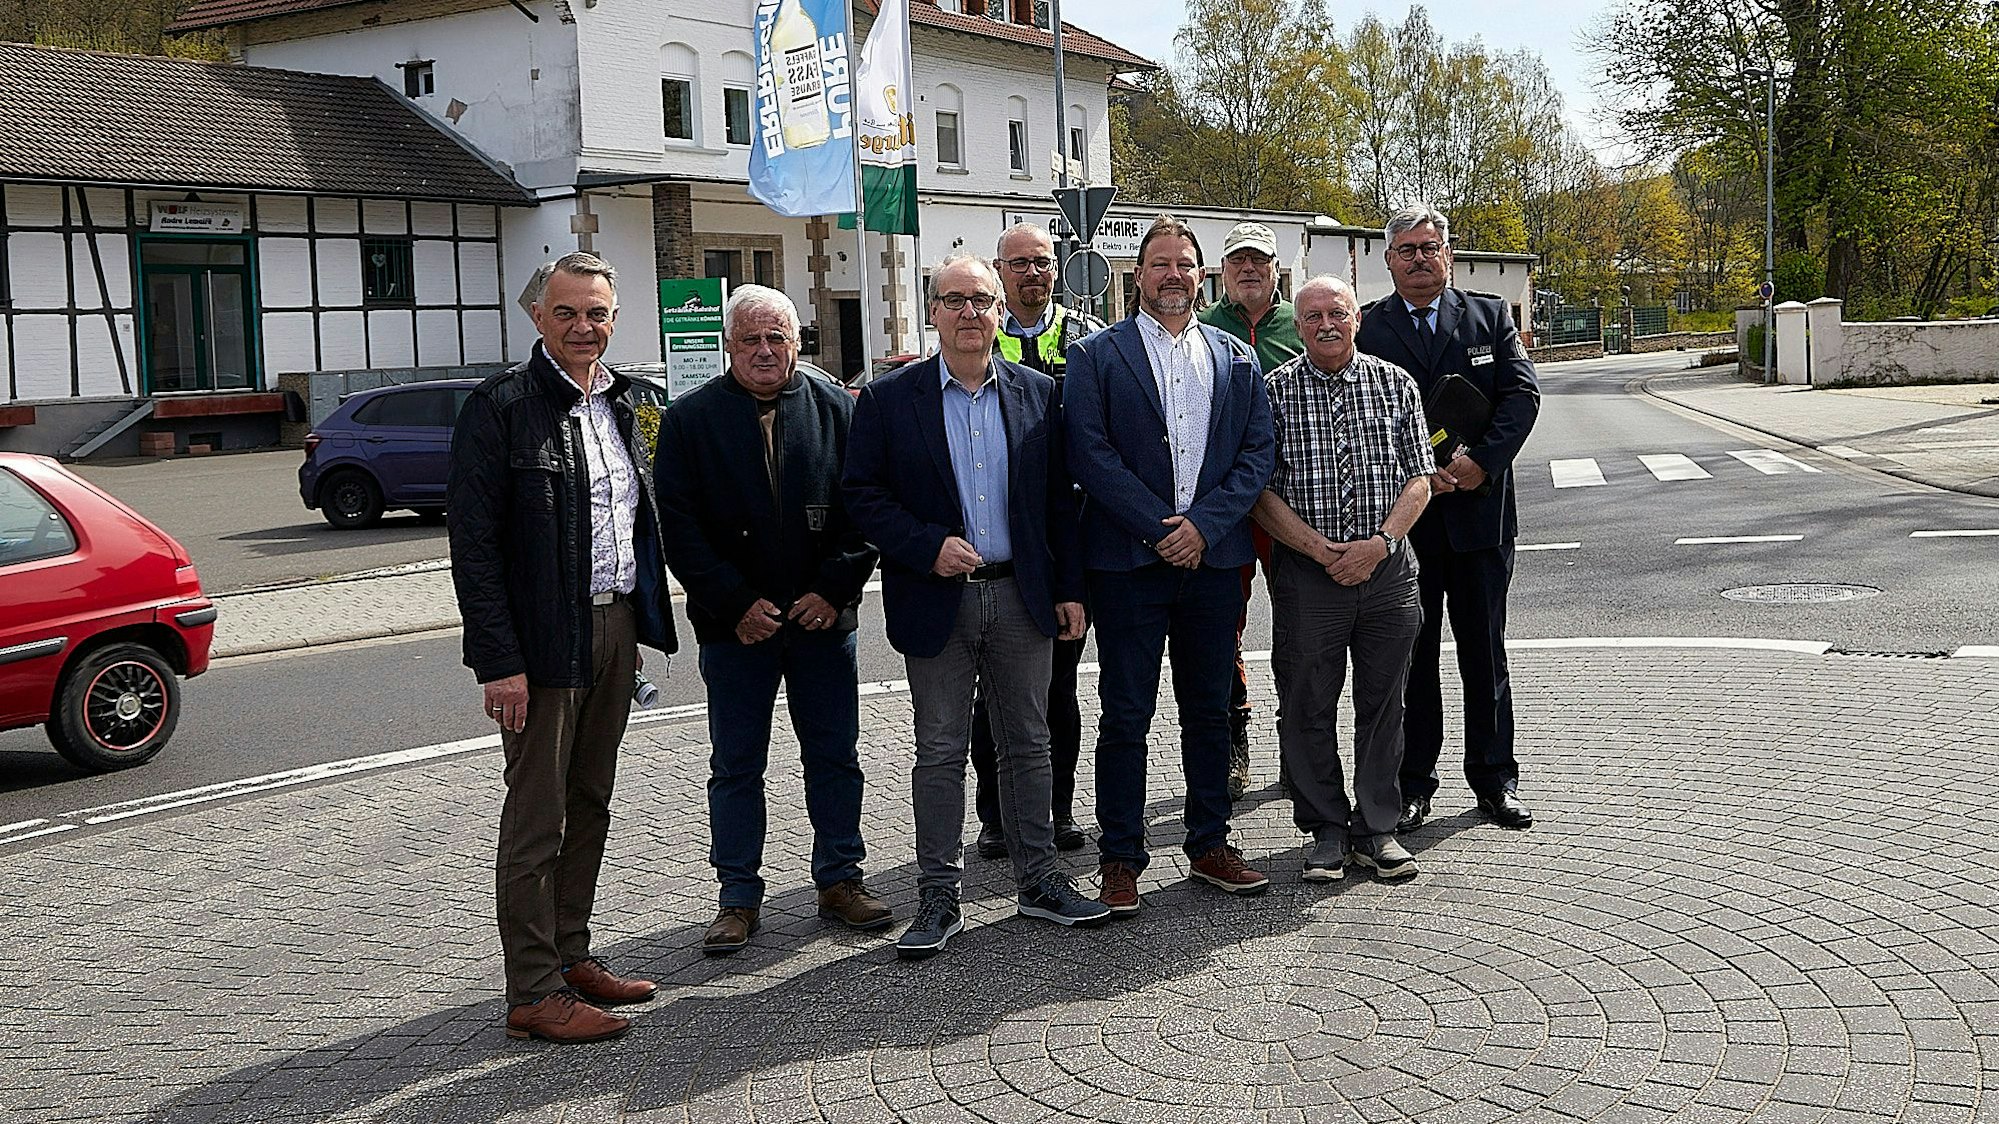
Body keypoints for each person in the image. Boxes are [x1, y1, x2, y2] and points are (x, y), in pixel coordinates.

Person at [844, 254, 1111, 959]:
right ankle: (938, 896)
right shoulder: (889, 399)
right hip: (936, 599)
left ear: (999, 313)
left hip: (1020, 595)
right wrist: (925, 545)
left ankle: (1040, 881)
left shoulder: (1034, 393)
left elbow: (1060, 502)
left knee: (1028, 739)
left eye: (981, 302)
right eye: (954, 300)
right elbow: (862, 496)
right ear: (932, 311)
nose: (969, 314)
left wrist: (1069, 588)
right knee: (939, 749)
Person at [447, 252, 678, 1044]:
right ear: (538, 317)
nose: (585, 327)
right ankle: (534, 989)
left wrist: (638, 625)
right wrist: (498, 662)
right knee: (536, 816)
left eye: (599, 314)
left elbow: (640, 523)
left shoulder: (632, 402)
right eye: (569, 313)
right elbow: (474, 548)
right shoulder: (501, 406)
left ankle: (572, 954)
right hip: (538, 640)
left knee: (589, 802)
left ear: (616, 319)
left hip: (613, 627)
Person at [653, 284, 888, 955]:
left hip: (822, 622)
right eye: (751, 339)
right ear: (729, 345)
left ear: (797, 341)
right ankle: (737, 898)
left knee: (835, 758)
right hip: (735, 630)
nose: (764, 351)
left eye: (776, 338)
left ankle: (840, 880)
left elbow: (864, 507)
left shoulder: (836, 407)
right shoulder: (690, 419)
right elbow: (680, 525)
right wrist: (734, 603)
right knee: (735, 765)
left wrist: (832, 588)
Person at [1063, 214, 1276, 914]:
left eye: (1185, 264)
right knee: (1125, 714)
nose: (1173, 276)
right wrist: (1160, 529)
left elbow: (1254, 458)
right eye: (1160, 264)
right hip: (1128, 563)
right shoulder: (1097, 355)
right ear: (1138, 275)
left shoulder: (1234, 358)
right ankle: (1120, 858)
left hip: (1212, 563)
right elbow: (1089, 455)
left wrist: (1204, 527)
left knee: (1208, 710)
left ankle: (1209, 843)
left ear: (1200, 274)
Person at [1354, 204, 1541, 832]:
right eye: (1406, 250)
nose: (1419, 259)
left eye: (1429, 247)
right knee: (1415, 656)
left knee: (1484, 652)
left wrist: (1483, 464)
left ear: (1448, 255)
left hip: (1481, 517)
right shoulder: (1369, 328)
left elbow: (1522, 395)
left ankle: (1496, 780)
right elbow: (1360, 417)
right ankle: (1414, 783)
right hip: (1408, 520)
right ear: (1389, 261)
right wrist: (1417, 475)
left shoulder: (1490, 316)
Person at [1252, 276, 1431, 882]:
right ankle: (1326, 827)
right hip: (1309, 575)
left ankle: (1376, 827)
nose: (1325, 324)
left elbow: (1420, 479)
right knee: (1307, 702)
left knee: (1384, 704)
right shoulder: (1271, 392)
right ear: (1297, 327)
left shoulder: (1396, 383)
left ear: (1357, 318)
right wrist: (1322, 551)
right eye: (1311, 316)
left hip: (1386, 571)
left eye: (1337, 313)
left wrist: (1380, 544)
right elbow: (1260, 492)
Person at [968, 222, 1106, 860]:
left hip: (1065, 540)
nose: (1032, 274)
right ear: (999, 273)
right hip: (994, 540)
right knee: (989, 690)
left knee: (1056, 688)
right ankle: (996, 817)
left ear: (1059, 268)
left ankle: (1055, 809)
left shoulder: (1086, 339)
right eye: (1018, 263)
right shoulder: (974, 338)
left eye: (1042, 263)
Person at [1199, 221, 1304, 800]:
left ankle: (1299, 747)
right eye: (1238, 261)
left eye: (1258, 261)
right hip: (1228, 506)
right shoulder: (1203, 328)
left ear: (1275, 266)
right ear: (1223, 269)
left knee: (1299, 624)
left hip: (1291, 502)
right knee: (1223, 630)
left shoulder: (1302, 323)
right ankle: (1234, 741)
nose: (1248, 270)